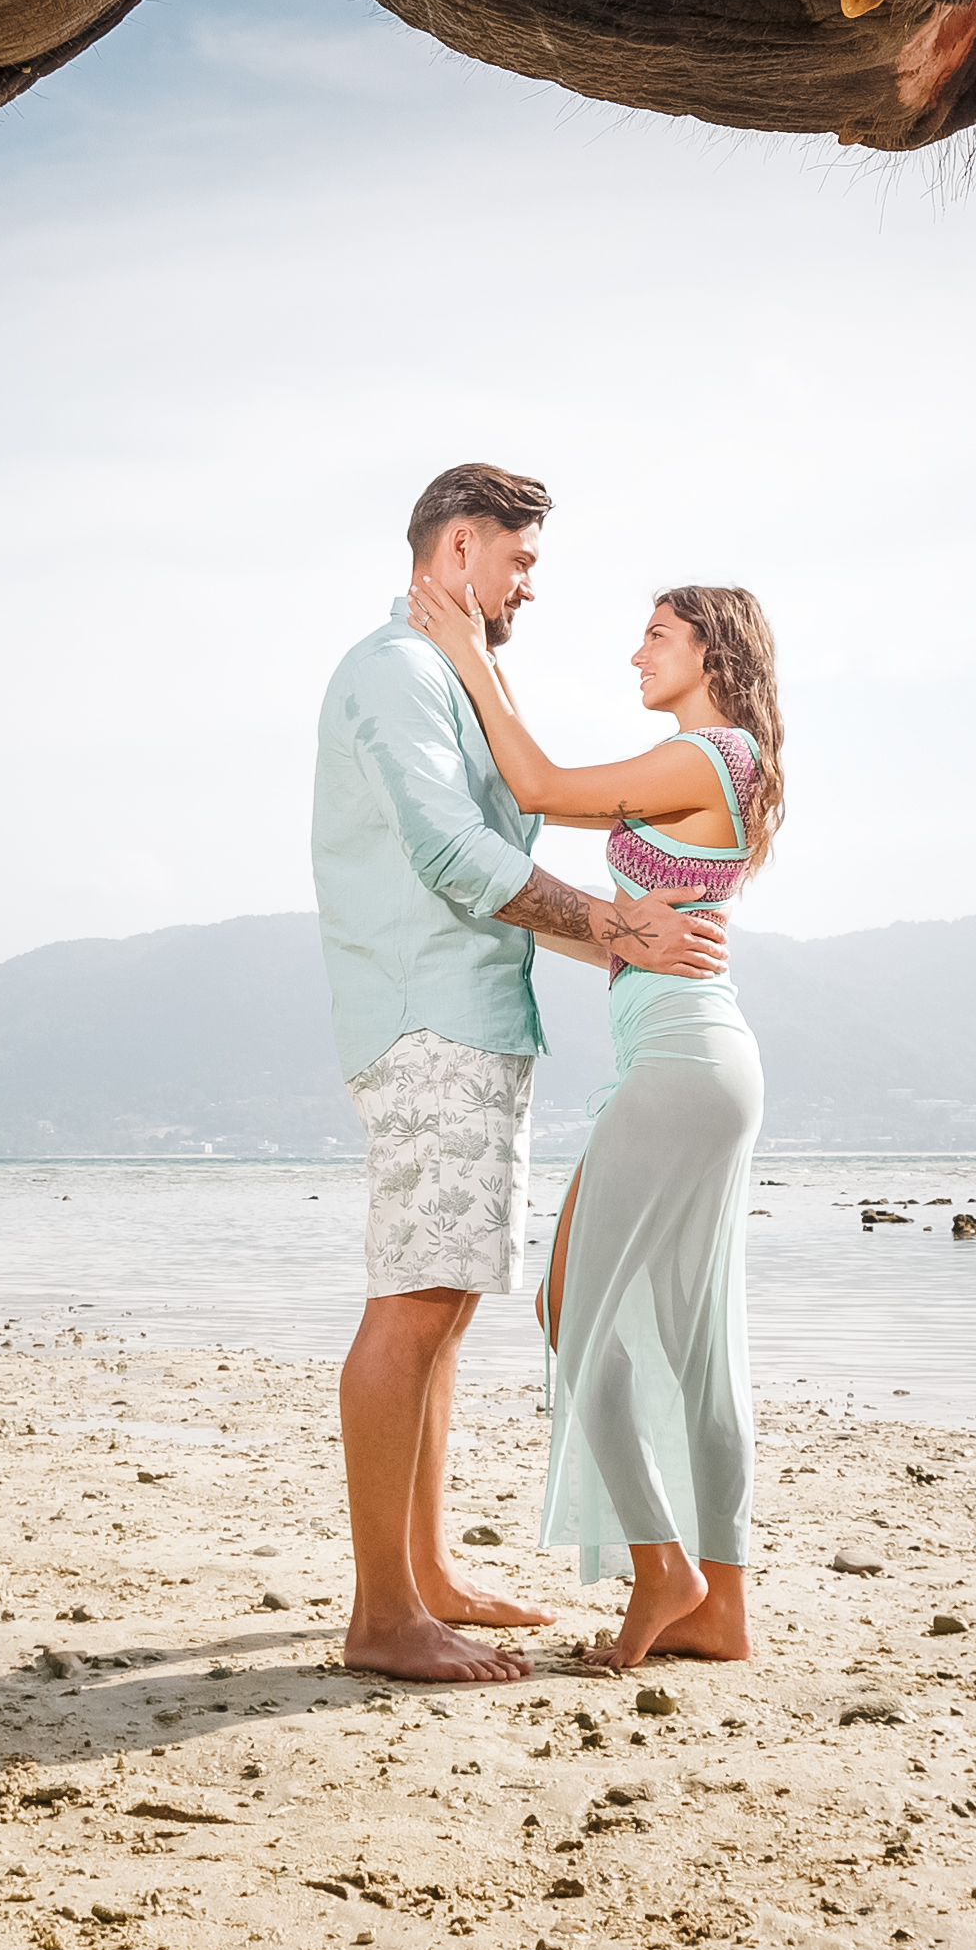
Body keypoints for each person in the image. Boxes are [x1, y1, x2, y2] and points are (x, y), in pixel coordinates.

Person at [312, 464, 729, 1685]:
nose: (529, 587)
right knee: (415, 1301)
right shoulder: (396, 672)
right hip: (426, 1018)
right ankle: (384, 1615)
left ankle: (427, 1574)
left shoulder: (447, 677)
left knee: (445, 1305)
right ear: (458, 549)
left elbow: (498, 861)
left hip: (476, 1019)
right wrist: (616, 923)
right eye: (520, 560)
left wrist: (619, 937)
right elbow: (453, 854)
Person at [409, 572, 787, 1674]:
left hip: (680, 1063)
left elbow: (536, 785)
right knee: (692, 1338)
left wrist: (470, 650)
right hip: (693, 1061)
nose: (637, 653)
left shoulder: (710, 756)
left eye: (658, 634)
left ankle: (663, 1566)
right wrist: (565, 916)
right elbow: (616, 929)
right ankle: (720, 1607)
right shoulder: (718, 766)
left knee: (571, 1309)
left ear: (714, 650)